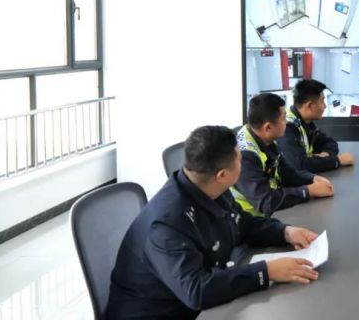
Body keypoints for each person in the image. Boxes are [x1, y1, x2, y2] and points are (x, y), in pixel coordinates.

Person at [106, 125, 321, 319]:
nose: (243, 162)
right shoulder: (166, 224)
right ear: (222, 175)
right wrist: (265, 272)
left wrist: (284, 232)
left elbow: (241, 223)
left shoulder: (211, 188)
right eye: (239, 159)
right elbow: (196, 291)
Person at [233, 93, 334, 217]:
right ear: (268, 127)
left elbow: (287, 172)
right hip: (249, 220)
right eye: (283, 118)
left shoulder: (264, 138)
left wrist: (312, 178)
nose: (287, 122)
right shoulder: (245, 156)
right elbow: (265, 201)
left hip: (269, 216)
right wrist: (308, 191)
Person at [276, 79, 355, 173]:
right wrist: (338, 161)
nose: (325, 106)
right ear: (309, 106)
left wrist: (326, 154)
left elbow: (330, 143)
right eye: (322, 101)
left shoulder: (306, 123)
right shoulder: (286, 128)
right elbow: (299, 165)